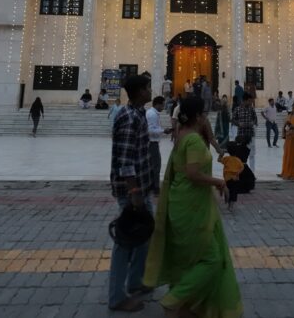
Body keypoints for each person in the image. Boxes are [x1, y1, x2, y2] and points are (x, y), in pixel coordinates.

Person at [142, 98, 243, 318]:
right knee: (212, 259)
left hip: (181, 201)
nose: (207, 118)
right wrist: (219, 182)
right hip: (191, 205)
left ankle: (189, 305)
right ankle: (174, 299)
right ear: (198, 116)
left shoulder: (181, 135)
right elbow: (193, 174)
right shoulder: (195, 141)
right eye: (204, 114)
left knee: (189, 256)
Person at [108, 74, 155, 312]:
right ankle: (117, 296)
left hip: (141, 188)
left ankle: (136, 281)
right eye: (147, 88)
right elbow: (126, 160)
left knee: (143, 236)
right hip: (133, 191)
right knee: (125, 241)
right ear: (138, 92)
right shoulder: (128, 117)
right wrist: (134, 192)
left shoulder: (138, 114)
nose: (150, 91)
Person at [220, 134, 255, 211]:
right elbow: (241, 167)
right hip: (239, 171)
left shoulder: (227, 158)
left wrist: (221, 154)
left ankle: (227, 197)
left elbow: (221, 159)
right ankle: (231, 205)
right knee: (234, 190)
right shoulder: (245, 149)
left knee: (229, 187)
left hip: (228, 177)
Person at [146, 96, 167, 195]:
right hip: (152, 143)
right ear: (157, 104)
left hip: (152, 142)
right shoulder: (152, 115)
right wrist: (163, 131)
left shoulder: (153, 113)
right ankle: (155, 187)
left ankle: (151, 185)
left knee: (152, 165)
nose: (163, 107)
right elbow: (150, 130)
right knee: (156, 165)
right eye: (163, 105)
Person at [232, 93, 258, 172]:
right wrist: (239, 124)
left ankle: (252, 172)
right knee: (240, 154)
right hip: (241, 135)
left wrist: (253, 123)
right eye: (250, 101)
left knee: (252, 154)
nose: (251, 103)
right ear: (245, 100)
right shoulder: (237, 109)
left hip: (250, 135)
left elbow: (255, 120)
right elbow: (233, 120)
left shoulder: (252, 109)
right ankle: (240, 172)